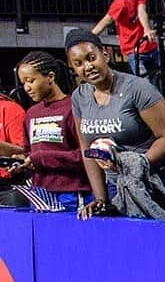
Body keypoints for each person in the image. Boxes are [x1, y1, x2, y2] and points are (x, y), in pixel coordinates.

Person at [65, 28, 165, 218]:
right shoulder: (79, 97)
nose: (87, 67)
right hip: (116, 184)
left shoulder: (137, 88)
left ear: (105, 55)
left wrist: (138, 163)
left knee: (163, 244)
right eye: (78, 64)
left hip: (155, 179)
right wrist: (101, 199)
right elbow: (86, 150)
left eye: (91, 58)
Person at [16, 50, 104, 212]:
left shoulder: (73, 107)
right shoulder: (31, 113)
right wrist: (22, 163)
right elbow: (29, 152)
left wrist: (42, 157)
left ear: (50, 77)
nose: (27, 88)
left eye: (31, 80)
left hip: (73, 192)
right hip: (40, 194)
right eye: (23, 83)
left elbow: (86, 155)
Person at [91, 0, 160, 88]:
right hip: (134, 49)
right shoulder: (120, 3)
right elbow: (106, 20)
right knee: (146, 85)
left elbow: (141, 12)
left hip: (149, 46)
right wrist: (89, 37)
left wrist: (147, 29)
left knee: (159, 80)